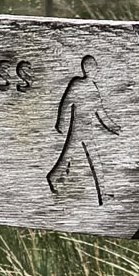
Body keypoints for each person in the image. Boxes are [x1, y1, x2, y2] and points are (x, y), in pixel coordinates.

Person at [47, 54, 121, 203]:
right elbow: (66, 103)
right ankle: (53, 178)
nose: (96, 72)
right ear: (91, 70)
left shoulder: (93, 89)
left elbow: (100, 112)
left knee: (82, 160)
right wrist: (60, 123)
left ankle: (103, 194)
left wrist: (114, 127)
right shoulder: (78, 85)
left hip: (86, 131)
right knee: (70, 158)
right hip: (77, 131)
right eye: (95, 69)